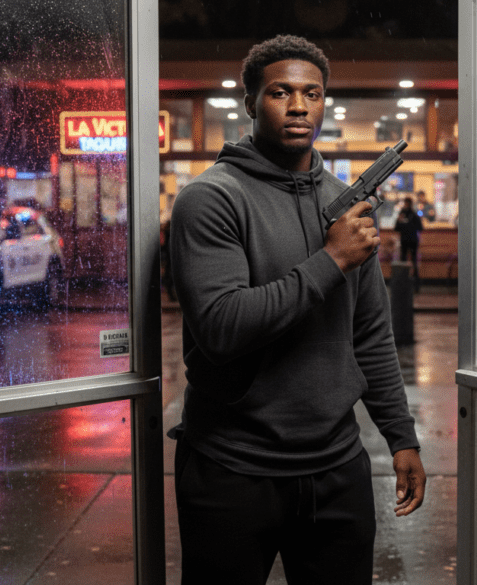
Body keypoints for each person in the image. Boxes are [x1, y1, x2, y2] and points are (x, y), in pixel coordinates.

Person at [168, 34, 426, 585]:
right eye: (280, 92)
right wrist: (332, 259)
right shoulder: (210, 199)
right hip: (232, 468)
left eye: (312, 93)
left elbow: (371, 335)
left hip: (337, 466)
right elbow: (222, 327)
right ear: (250, 103)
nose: (299, 106)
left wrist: (401, 436)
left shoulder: (345, 204)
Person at [394, 196, 423, 290]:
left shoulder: (410, 215)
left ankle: (410, 284)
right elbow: (396, 228)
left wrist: (404, 224)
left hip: (408, 241)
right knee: (409, 261)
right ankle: (409, 284)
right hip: (410, 240)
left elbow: (420, 227)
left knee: (408, 261)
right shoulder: (408, 214)